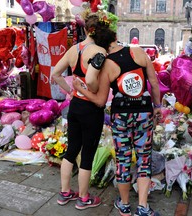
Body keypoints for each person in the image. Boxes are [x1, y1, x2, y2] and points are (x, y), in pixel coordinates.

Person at [73, 39, 162, 216]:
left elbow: (100, 101)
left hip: (121, 116)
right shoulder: (138, 52)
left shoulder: (107, 65)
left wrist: (80, 88)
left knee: (123, 159)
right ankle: (143, 207)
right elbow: (154, 82)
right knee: (144, 158)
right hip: (144, 112)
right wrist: (158, 106)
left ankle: (125, 205)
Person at [51, 10, 116, 210]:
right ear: (99, 31)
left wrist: (71, 90)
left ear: (86, 29)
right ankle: (84, 198)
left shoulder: (74, 49)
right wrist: (91, 88)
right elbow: (90, 80)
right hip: (90, 108)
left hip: (75, 107)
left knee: (71, 150)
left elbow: (55, 73)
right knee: (87, 153)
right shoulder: (99, 51)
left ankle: (64, 193)